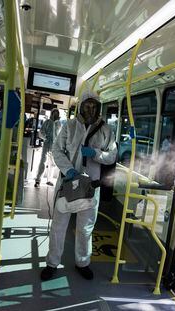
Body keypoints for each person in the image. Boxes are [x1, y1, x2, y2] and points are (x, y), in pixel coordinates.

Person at [40, 90, 117, 281]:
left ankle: (82, 262)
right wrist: (69, 170)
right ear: (81, 107)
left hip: (91, 185)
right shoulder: (70, 126)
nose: (90, 109)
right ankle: (52, 263)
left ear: (98, 108)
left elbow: (112, 156)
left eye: (94, 106)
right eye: (87, 105)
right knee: (59, 225)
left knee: (85, 228)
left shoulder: (106, 130)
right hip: (68, 182)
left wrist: (96, 153)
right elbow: (57, 150)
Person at [35, 108, 61, 187]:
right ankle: (38, 180)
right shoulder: (47, 122)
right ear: (52, 114)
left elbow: (60, 135)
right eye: (54, 113)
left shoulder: (58, 124)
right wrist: (45, 137)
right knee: (43, 162)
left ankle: (49, 180)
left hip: (55, 146)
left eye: (57, 113)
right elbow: (41, 132)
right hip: (46, 145)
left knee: (53, 164)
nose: (56, 115)